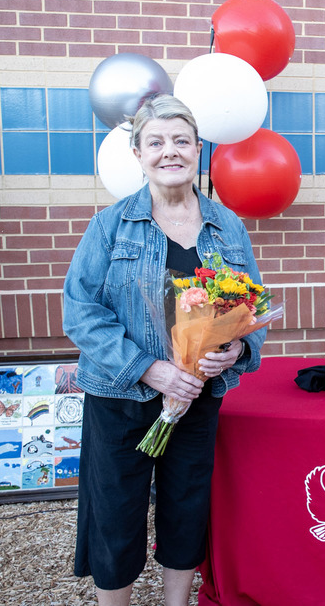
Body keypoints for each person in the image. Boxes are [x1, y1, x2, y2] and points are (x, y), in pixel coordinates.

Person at [63, 94, 266, 606]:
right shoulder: (109, 227)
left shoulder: (229, 226)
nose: (169, 151)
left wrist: (234, 351)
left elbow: (252, 309)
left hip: (198, 397)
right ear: (138, 153)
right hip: (120, 399)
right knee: (116, 513)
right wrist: (148, 368)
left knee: (186, 507)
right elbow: (80, 312)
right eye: (156, 142)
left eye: (181, 141)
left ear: (199, 150)